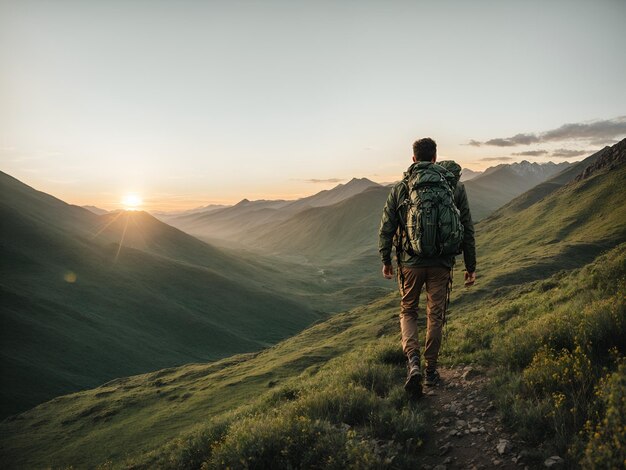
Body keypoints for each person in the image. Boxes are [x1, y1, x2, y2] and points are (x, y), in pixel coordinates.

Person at [378, 137, 476, 395]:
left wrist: (386, 260)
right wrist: (470, 265)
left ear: (413, 159)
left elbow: (387, 227)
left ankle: (413, 364)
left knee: (409, 311)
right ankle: (431, 371)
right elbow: (466, 227)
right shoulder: (454, 187)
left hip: (410, 264)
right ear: (435, 158)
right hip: (442, 263)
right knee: (435, 315)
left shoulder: (401, 187)